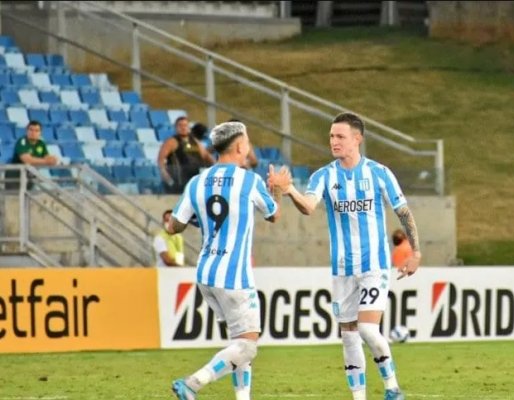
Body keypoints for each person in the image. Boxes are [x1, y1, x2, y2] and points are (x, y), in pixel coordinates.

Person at [269, 112, 421, 400]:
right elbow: (309, 206)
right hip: (342, 268)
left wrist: (416, 251)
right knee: (349, 333)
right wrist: (288, 190)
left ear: (357, 139)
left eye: (340, 136)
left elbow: (403, 212)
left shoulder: (379, 173)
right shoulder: (324, 176)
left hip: (374, 265)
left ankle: (392, 387)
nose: (334, 141)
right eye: (331, 136)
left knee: (366, 328)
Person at [168, 121, 288, 400]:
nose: (249, 146)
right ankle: (193, 383)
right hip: (234, 276)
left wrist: (204, 219)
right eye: (247, 141)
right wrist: (278, 188)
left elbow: (174, 225)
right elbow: (274, 214)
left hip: (206, 273)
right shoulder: (248, 180)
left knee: (239, 342)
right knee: (248, 346)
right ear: (238, 147)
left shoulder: (197, 182)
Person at [158, 116, 215, 194]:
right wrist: (168, 179)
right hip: (179, 181)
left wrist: (216, 167)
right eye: (180, 125)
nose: (183, 128)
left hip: (195, 180)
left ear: (188, 127)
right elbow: (160, 160)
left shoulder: (195, 141)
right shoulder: (171, 142)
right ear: (176, 127)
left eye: (185, 125)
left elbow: (206, 156)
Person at [6, 120, 58, 190]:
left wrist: (53, 159)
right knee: (14, 199)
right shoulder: (22, 141)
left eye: (36, 131)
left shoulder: (41, 143)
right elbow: (27, 160)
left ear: (40, 133)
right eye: (31, 130)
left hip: (30, 176)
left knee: (28, 197)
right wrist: (46, 161)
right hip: (15, 176)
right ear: (27, 131)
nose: (33, 133)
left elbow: (47, 157)